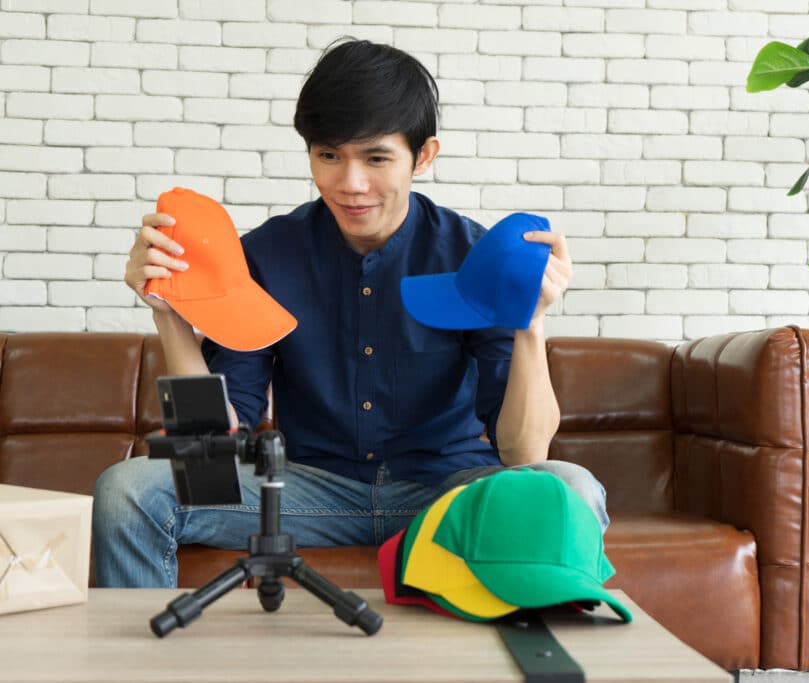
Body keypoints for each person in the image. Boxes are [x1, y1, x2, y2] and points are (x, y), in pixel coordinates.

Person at [92, 38, 609, 588]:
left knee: (570, 487)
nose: (350, 184)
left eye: (376, 158)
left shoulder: (469, 255)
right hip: (307, 494)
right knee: (128, 490)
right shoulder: (267, 255)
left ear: (423, 156)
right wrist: (170, 314)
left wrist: (530, 323)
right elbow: (209, 457)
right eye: (329, 156)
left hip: (445, 492)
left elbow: (524, 452)